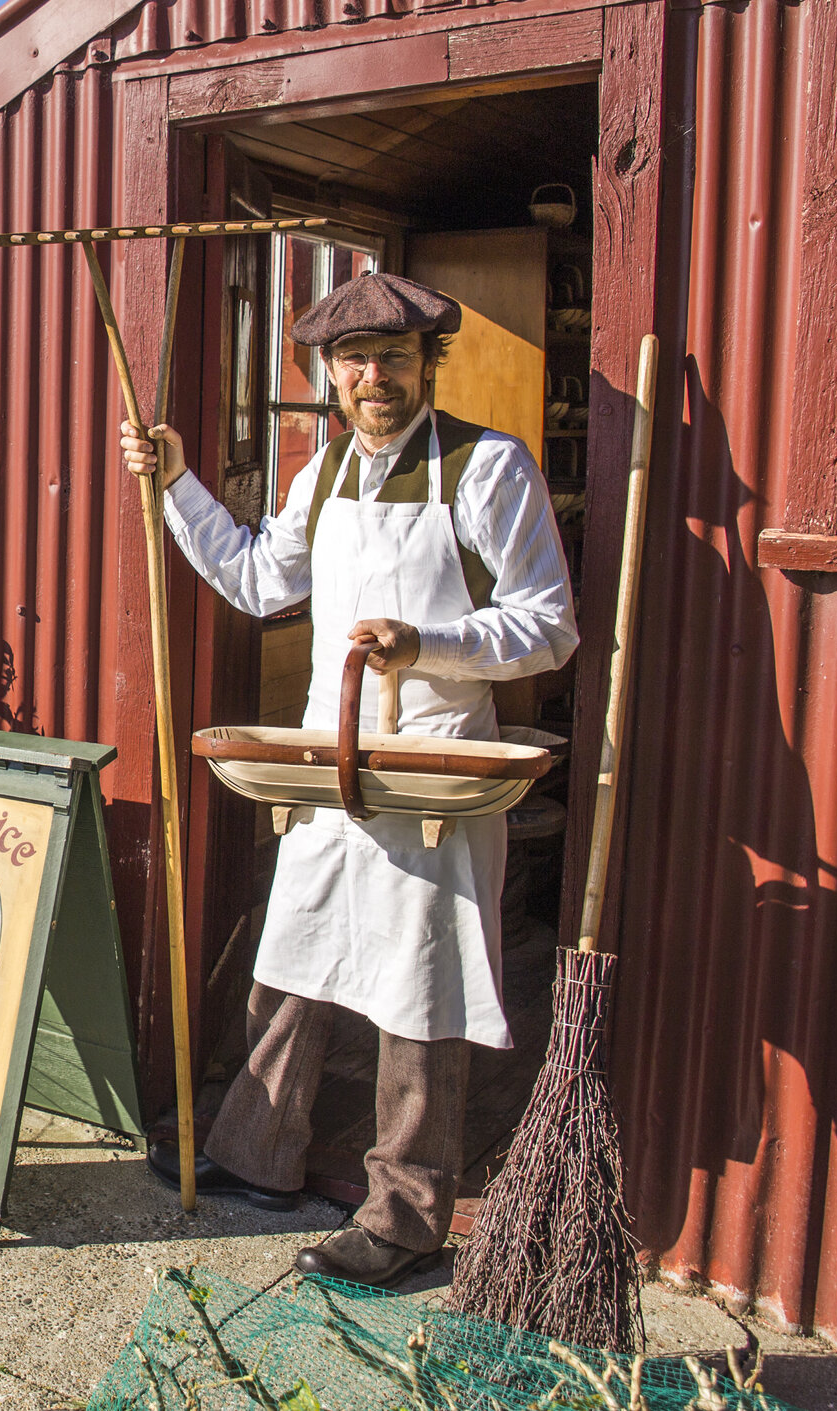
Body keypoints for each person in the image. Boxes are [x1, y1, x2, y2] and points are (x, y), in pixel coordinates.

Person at [119, 269, 576, 1287]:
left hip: (432, 780)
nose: (374, 375)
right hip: (334, 765)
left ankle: (407, 1216)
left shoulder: (486, 469)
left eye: (394, 356)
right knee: (296, 956)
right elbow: (252, 577)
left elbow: (550, 626)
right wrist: (175, 483)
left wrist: (427, 643)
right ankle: (258, 1154)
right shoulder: (321, 475)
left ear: (425, 363)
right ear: (327, 375)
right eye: (352, 359)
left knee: (420, 994)